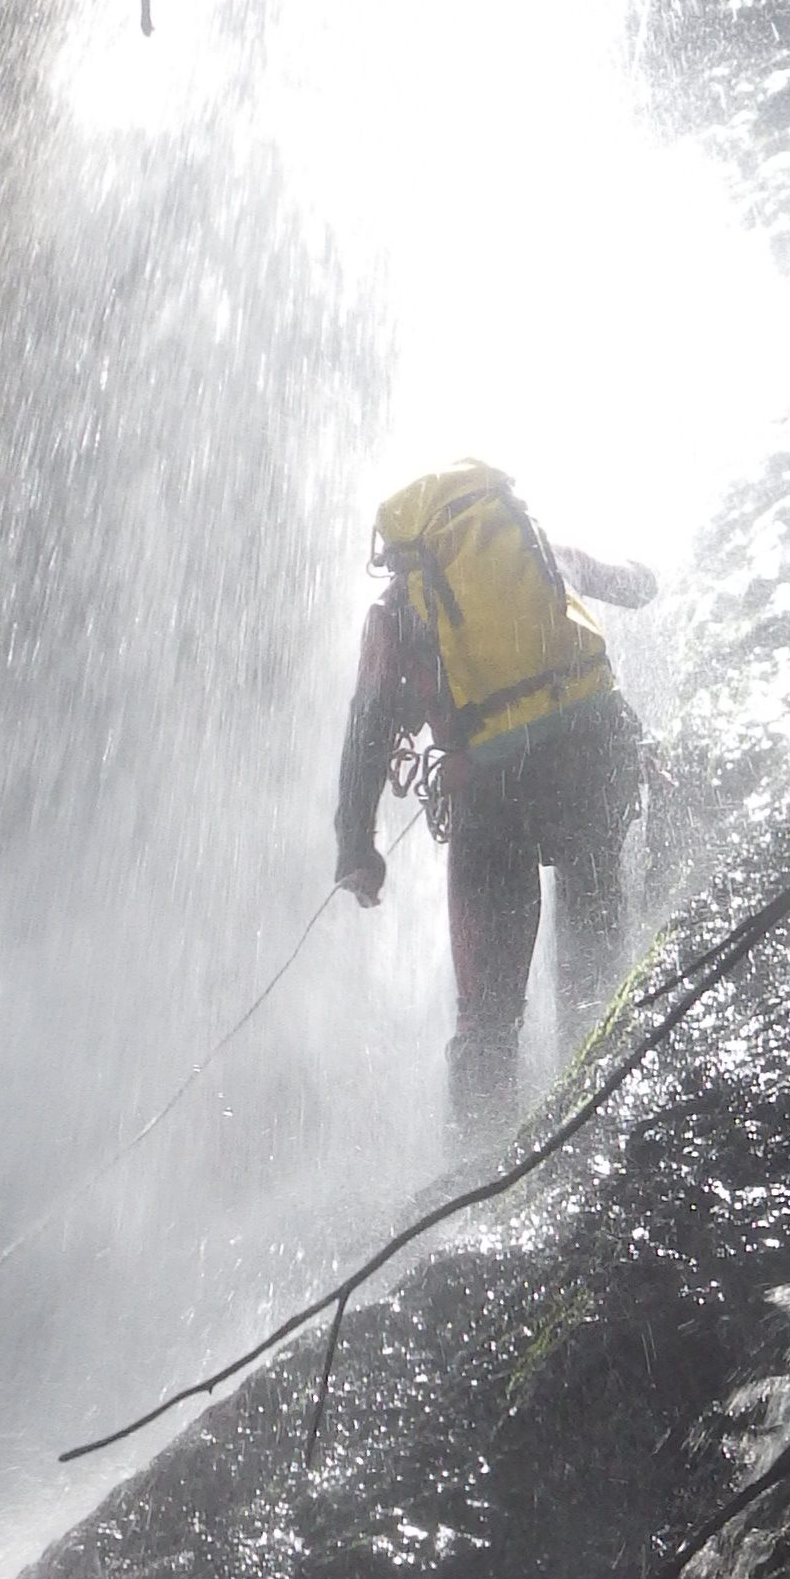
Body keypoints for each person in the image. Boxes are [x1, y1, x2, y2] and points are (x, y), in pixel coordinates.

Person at [334, 459, 657, 1138]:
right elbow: (634, 585)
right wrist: (642, 572)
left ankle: (480, 1163)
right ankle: (608, 1122)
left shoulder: (397, 613)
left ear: (401, 555)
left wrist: (357, 847)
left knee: (488, 1013)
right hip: (592, 760)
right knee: (595, 965)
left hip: (495, 797)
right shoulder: (539, 554)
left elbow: (368, 729)